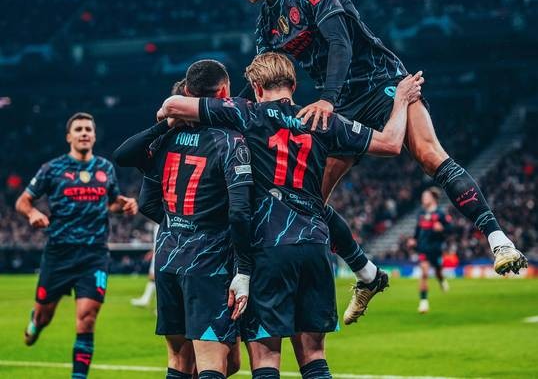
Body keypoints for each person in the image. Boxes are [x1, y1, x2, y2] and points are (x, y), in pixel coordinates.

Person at [218, 0, 527, 277]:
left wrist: (328, 99)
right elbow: (260, 79)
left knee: (429, 155)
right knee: (309, 198)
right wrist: (225, 112)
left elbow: (340, 42)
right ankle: (365, 274)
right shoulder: (266, 23)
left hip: (382, 82)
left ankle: (500, 241)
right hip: (341, 103)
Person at [158, 52, 423, 377]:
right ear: (294, 85)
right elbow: (392, 143)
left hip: (269, 246)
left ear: (256, 87)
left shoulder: (246, 112)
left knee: (266, 358)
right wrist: (401, 100)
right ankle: (365, 270)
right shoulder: (322, 119)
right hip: (315, 246)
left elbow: (173, 104)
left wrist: (170, 117)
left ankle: (366, 270)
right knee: (314, 356)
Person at [114, 62, 250, 379]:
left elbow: (135, 180)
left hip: (169, 256)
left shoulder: (167, 139)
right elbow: (240, 211)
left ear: (187, 93)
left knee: (182, 360)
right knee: (215, 361)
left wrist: (178, 223)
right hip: (209, 258)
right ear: (224, 93)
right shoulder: (229, 139)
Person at [15, 112, 138, 379]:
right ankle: (36, 321)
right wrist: (33, 213)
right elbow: (23, 201)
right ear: (69, 136)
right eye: (79, 129)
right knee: (45, 316)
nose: (84, 133)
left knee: (87, 318)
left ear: (94, 136)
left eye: (88, 129)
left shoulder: (105, 168)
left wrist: (124, 204)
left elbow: (112, 202)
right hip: (59, 253)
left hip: (94, 254)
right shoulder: (52, 169)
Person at [407, 187, 452, 313]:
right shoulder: (421, 214)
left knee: (438, 271)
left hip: (436, 248)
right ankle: (423, 302)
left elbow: (451, 229)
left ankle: (441, 280)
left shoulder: (441, 214)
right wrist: (413, 239)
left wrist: (442, 228)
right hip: (423, 248)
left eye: (426, 197)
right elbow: (418, 230)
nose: (423, 199)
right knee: (424, 273)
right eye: (423, 197)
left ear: (433, 198)